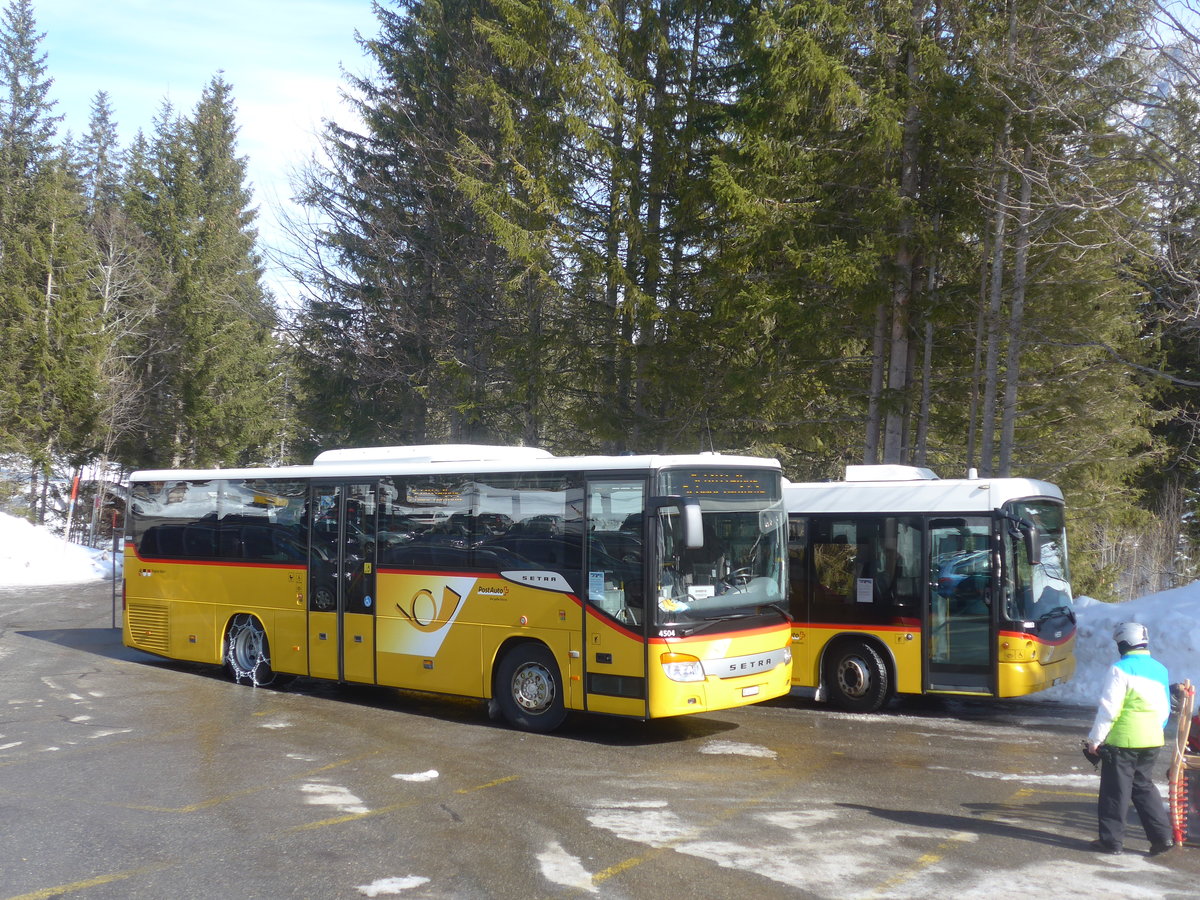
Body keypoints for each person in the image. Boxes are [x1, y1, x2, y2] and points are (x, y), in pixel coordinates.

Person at [1084, 622, 1174, 856]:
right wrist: (1155, 729)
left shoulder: (1120, 669)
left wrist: (1095, 739)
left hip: (1123, 741)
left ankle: (1111, 842)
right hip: (1152, 739)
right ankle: (1162, 837)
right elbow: (1165, 708)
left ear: (1123, 644)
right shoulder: (1160, 669)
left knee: (1115, 791)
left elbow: (1109, 709)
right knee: (1143, 787)